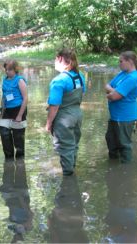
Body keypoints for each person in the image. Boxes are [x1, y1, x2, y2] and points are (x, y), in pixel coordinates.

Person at [45, 48, 86, 176]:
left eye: (55, 59)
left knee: (64, 147)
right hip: (77, 114)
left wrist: (48, 123)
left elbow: (54, 106)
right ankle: (72, 167)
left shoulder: (59, 80)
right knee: (74, 144)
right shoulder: (80, 76)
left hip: (64, 118)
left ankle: (68, 177)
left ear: (61, 59)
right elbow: (81, 93)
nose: (54, 62)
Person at [105, 51, 137, 163]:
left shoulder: (133, 78)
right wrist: (115, 91)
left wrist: (114, 92)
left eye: (121, 61)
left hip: (125, 118)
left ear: (130, 62)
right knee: (111, 141)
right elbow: (106, 86)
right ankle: (114, 171)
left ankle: (126, 172)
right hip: (115, 116)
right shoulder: (123, 74)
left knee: (124, 145)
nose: (119, 64)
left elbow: (113, 96)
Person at [0, 60, 28, 160]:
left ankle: (20, 161)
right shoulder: (4, 80)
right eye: (6, 69)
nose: (7, 72)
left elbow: (25, 98)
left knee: (18, 138)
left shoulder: (19, 80)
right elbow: (3, 97)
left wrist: (19, 115)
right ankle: (9, 159)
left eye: (9, 69)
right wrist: (1, 113)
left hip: (18, 110)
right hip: (6, 110)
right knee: (4, 133)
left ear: (15, 69)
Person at [0, 159, 33, 242]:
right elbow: (29, 212)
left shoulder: (11, 228)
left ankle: (9, 160)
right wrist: (20, 197)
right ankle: (17, 159)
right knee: (20, 170)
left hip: (11, 196)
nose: (17, 240)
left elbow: (10, 211)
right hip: (21, 195)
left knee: (8, 173)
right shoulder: (28, 228)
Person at [47, 175, 88, 242]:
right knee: (69, 181)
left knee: (69, 181)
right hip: (67, 209)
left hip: (70, 209)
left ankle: (68, 172)